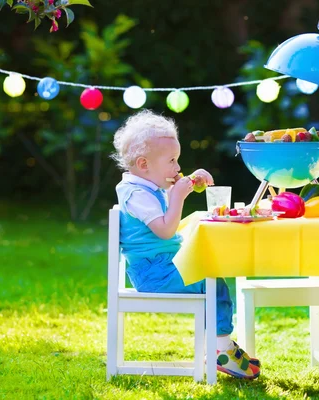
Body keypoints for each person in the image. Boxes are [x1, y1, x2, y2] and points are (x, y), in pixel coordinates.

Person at [111, 109, 260, 380]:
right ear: (144, 165)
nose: (177, 168)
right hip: (155, 275)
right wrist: (178, 195)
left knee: (213, 271)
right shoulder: (136, 195)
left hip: (161, 268)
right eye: (172, 161)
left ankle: (218, 346)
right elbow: (167, 230)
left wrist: (190, 181)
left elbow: (167, 205)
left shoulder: (145, 187)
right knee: (213, 280)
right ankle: (221, 349)